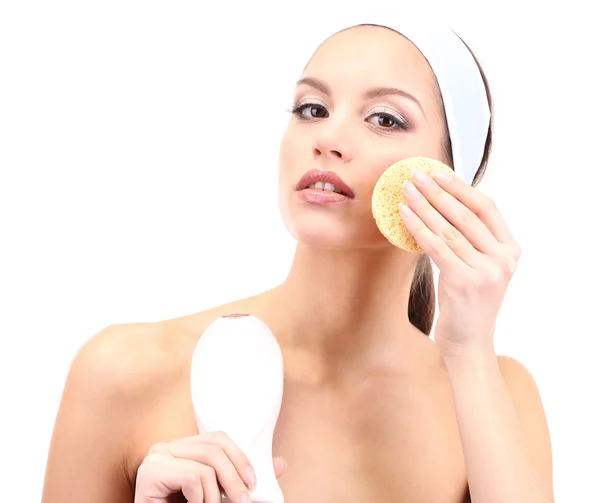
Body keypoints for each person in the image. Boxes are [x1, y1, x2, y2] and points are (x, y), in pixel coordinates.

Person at [41, 20, 555, 503]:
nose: (327, 139)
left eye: (384, 119)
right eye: (312, 109)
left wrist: (467, 350)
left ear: (450, 176)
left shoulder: (497, 393)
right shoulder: (124, 372)